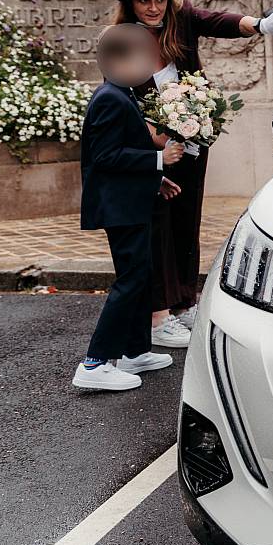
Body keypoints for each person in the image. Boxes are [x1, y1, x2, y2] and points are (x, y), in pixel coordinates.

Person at [109, 0, 273, 347]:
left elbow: (221, 21)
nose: (153, 7)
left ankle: (183, 303)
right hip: (151, 147)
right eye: (144, 1)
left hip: (191, 142)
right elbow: (119, 104)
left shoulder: (181, 19)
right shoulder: (120, 40)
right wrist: (156, 150)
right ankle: (157, 316)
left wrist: (261, 25)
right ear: (130, 4)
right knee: (156, 228)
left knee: (185, 221)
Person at [72, 24, 185, 392]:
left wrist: (156, 179)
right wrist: (158, 159)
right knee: (130, 280)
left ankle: (136, 350)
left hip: (132, 201)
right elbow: (105, 156)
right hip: (119, 207)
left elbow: (120, 150)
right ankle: (95, 362)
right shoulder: (110, 97)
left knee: (142, 275)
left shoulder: (121, 94)